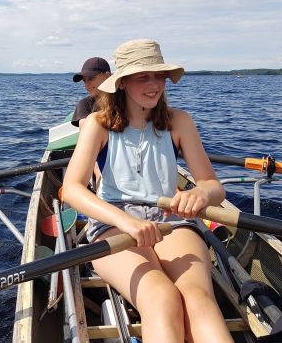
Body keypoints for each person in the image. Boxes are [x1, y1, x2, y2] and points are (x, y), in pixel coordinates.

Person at [62, 39, 232, 343]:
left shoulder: (179, 121)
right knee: (161, 297)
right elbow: (72, 190)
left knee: (197, 298)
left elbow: (212, 185)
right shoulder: (97, 124)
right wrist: (126, 222)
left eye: (159, 76)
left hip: (170, 220)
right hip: (114, 224)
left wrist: (201, 195)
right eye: (143, 76)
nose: (154, 85)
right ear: (123, 82)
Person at [71, 57, 111, 128]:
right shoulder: (85, 104)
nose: (87, 84)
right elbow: (85, 133)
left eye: (91, 78)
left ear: (107, 76)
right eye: (84, 80)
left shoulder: (124, 99)